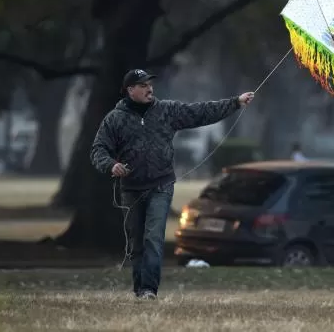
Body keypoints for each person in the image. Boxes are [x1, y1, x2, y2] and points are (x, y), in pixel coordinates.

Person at [90, 69, 254, 301]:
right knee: (136, 244)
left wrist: (235, 102)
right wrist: (111, 165)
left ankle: (149, 290)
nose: (149, 88)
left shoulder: (167, 110)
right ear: (130, 90)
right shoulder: (115, 119)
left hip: (161, 186)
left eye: (150, 84)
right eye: (143, 85)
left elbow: (200, 112)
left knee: (153, 239)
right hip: (131, 189)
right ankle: (140, 290)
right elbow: (98, 149)